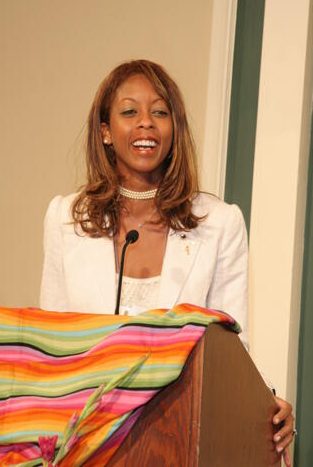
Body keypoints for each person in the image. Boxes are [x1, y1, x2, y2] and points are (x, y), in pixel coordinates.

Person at [40, 59, 295, 465]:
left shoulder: (219, 223)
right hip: (88, 442)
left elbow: (231, 352)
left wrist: (263, 404)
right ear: (105, 131)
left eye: (160, 112)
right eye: (129, 112)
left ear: (174, 129)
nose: (146, 123)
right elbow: (51, 346)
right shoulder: (66, 218)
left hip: (179, 439)